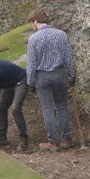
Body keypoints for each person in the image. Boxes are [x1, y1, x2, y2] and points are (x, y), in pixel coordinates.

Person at [26, 8, 77, 151]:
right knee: (62, 106)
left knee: (48, 109)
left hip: (42, 76)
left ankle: (53, 142)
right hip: (60, 73)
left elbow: (31, 63)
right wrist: (72, 75)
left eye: (31, 23)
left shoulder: (33, 39)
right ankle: (66, 139)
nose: (32, 26)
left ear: (35, 21)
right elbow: (68, 57)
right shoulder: (61, 35)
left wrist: (30, 82)